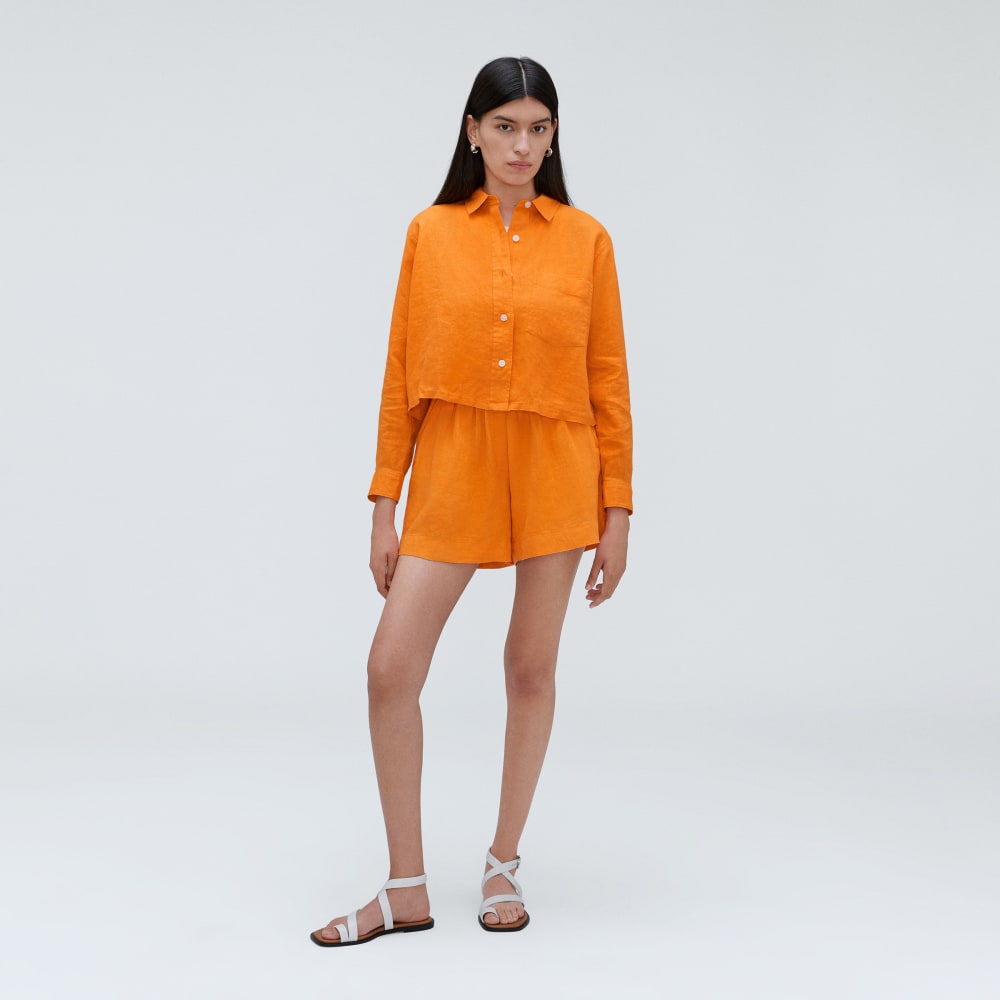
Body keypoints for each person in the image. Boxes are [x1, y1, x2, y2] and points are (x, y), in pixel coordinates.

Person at [311, 55, 632, 947]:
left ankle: (503, 862)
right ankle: (405, 887)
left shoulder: (588, 240)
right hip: (452, 465)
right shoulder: (431, 232)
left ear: (553, 138)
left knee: (529, 668)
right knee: (390, 669)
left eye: (538, 128)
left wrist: (617, 511)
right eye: (504, 127)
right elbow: (399, 376)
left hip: (556, 468)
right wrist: (385, 502)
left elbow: (608, 381)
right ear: (473, 132)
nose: (521, 145)